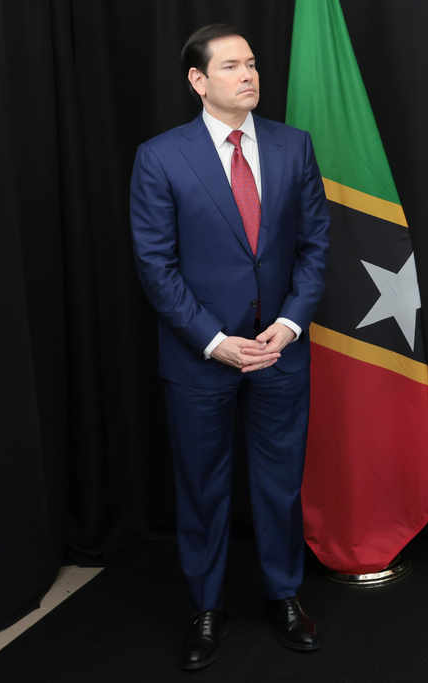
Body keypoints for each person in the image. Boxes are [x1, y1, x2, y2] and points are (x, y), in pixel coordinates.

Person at [129, 23, 331, 670]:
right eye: (231, 66)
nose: (248, 75)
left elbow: (315, 247)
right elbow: (155, 266)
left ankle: (284, 595)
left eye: (252, 64)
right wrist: (213, 341)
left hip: (279, 352)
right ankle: (206, 608)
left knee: (280, 484)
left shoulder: (294, 146)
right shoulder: (160, 157)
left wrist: (291, 324)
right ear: (198, 80)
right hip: (200, 358)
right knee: (202, 487)